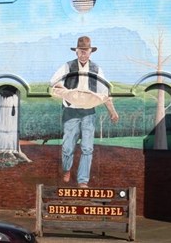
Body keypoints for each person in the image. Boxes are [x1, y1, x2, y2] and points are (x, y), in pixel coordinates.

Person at [50, 36, 119, 188]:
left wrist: (112, 112)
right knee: (68, 146)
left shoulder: (96, 69)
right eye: (81, 51)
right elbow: (54, 82)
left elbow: (104, 92)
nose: (83, 54)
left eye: (86, 51)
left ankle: (83, 180)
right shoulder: (67, 67)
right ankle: (67, 169)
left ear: (90, 52)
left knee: (87, 147)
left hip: (88, 112)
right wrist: (64, 90)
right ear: (76, 51)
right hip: (71, 111)